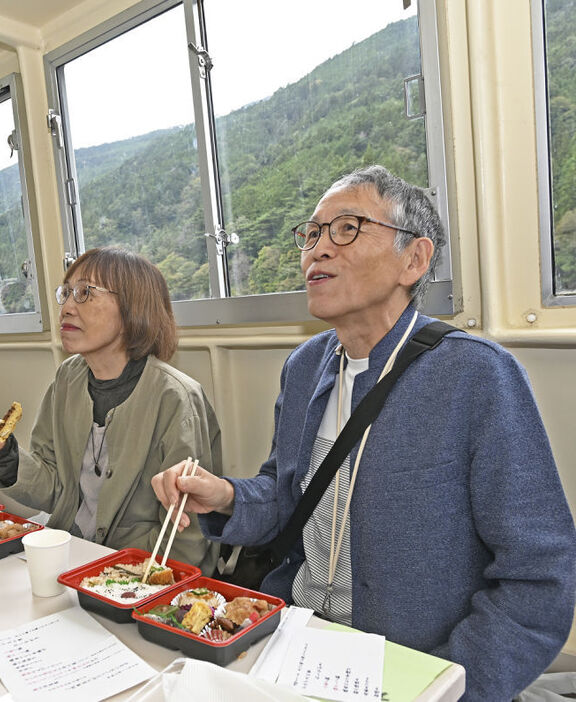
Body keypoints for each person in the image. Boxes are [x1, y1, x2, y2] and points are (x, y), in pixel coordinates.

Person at [151, 166, 576, 699]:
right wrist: (228, 497)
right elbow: (286, 499)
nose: (317, 250)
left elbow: (538, 578)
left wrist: (451, 685)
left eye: (346, 228)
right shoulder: (305, 366)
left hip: (412, 667)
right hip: (292, 642)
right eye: (311, 233)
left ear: (414, 260)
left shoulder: (477, 375)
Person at [0, 247, 222, 573]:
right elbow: (56, 491)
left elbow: (189, 536)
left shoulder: (177, 397)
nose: (67, 307)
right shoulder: (67, 378)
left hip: (137, 575)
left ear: (132, 306)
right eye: (66, 293)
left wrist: (119, 579)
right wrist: (4, 452)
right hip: (70, 553)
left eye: (85, 293)